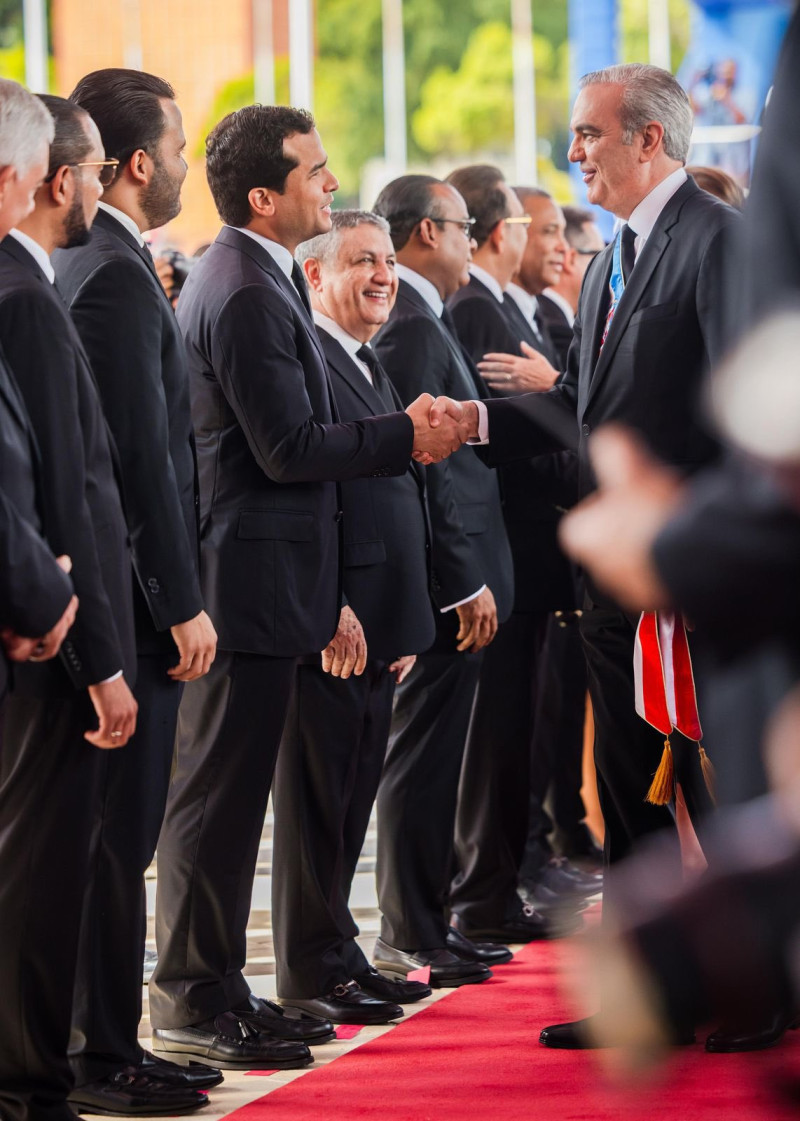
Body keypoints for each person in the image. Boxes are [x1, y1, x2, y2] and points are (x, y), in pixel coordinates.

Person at [149, 106, 466, 1069]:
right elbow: (285, 449)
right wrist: (404, 433)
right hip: (247, 577)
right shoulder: (241, 285)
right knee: (215, 804)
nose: (330, 186)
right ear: (264, 194)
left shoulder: (261, 275)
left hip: (272, 576)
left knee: (240, 803)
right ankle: (193, 999)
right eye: (316, 173)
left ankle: (219, 988)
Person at [439, 63, 738, 1047]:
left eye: (586, 135)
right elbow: (579, 407)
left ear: (648, 139)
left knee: (723, 784)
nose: (571, 155)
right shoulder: (608, 259)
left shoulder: (716, 242)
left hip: (691, 573)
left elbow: (747, 412)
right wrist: (476, 416)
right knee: (623, 786)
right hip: (609, 581)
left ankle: (754, 986)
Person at [52, 69, 220, 1113]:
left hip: (122, 596)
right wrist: (175, 598)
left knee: (114, 839)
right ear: (140, 161)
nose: (190, 161)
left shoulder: (102, 259)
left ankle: (110, 1037)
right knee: (115, 841)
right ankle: (101, 1049)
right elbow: (130, 463)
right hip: (130, 600)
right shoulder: (109, 272)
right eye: (182, 141)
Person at [271, 209, 436, 1025]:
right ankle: (310, 969)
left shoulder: (367, 359)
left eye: (389, 262)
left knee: (351, 799)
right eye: (363, 261)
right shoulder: (310, 359)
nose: (383, 276)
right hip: (335, 619)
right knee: (317, 804)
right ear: (314, 274)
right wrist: (332, 603)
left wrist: (399, 615)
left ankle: (340, 952)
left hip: (381, 616)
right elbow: (312, 488)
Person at [370, 173, 517, 984]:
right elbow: (434, 468)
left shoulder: (424, 314)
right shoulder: (414, 324)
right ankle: (413, 928)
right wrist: (462, 578)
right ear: (428, 231)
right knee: (422, 759)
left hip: (455, 570)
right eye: (464, 226)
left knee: (435, 757)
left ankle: (426, 920)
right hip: (444, 581)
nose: (473, 238)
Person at [443, 164, 594, 943]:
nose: (559, 247)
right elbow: (500, 439)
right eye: (540, 230)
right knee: (500, 735)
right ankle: (487, 890)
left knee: (520, 731)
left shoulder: (508, 308)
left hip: (536, 549)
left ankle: (506, 881)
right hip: (510, 547)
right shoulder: (477, 311)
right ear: (497, 234)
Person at [0, 78, 110, 1121]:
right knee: (37, 873)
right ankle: (32, 1085)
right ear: (27, 176)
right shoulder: (21, 293)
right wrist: (80, 633)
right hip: (42, 636)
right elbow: (57, 485)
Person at [538, 204, 606, 370]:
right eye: (600, 255)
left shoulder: (551, 317)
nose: (607, 266)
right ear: (571, 259)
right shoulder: (552, 326)